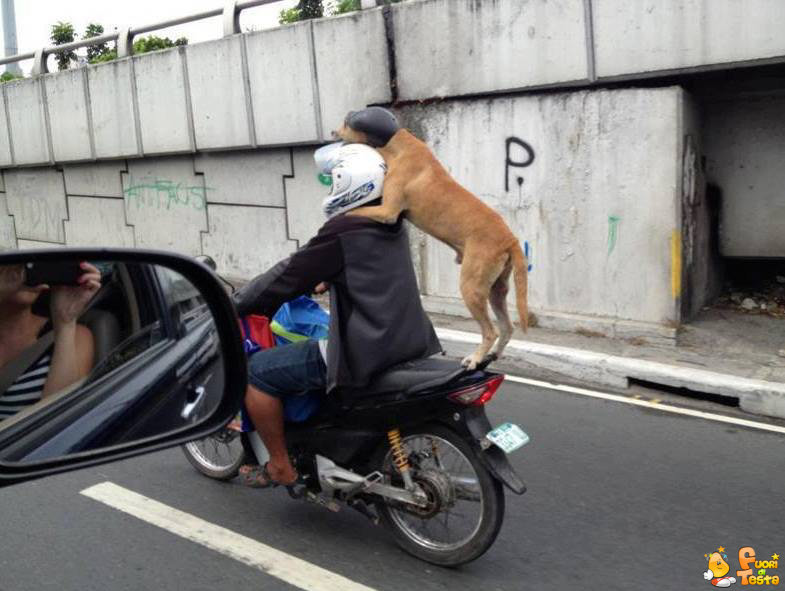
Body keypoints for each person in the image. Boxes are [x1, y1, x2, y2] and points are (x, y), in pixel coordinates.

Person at [234, 143, 441, 487]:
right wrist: (331, 277)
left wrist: (237, 302)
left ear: (347, 183)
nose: (330, 188)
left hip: (365, 349)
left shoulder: (343, 230)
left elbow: (286, 276)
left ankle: (281, 465)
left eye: (333, 181)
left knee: (256, 373)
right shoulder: (392, 221)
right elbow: (371, 269)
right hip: (410, 338)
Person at [0, 262, 101, 421]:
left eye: (32, 264)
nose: (23, 270)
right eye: (14, 262)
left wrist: (65, 322)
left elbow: (59, 419)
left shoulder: (76, 336)